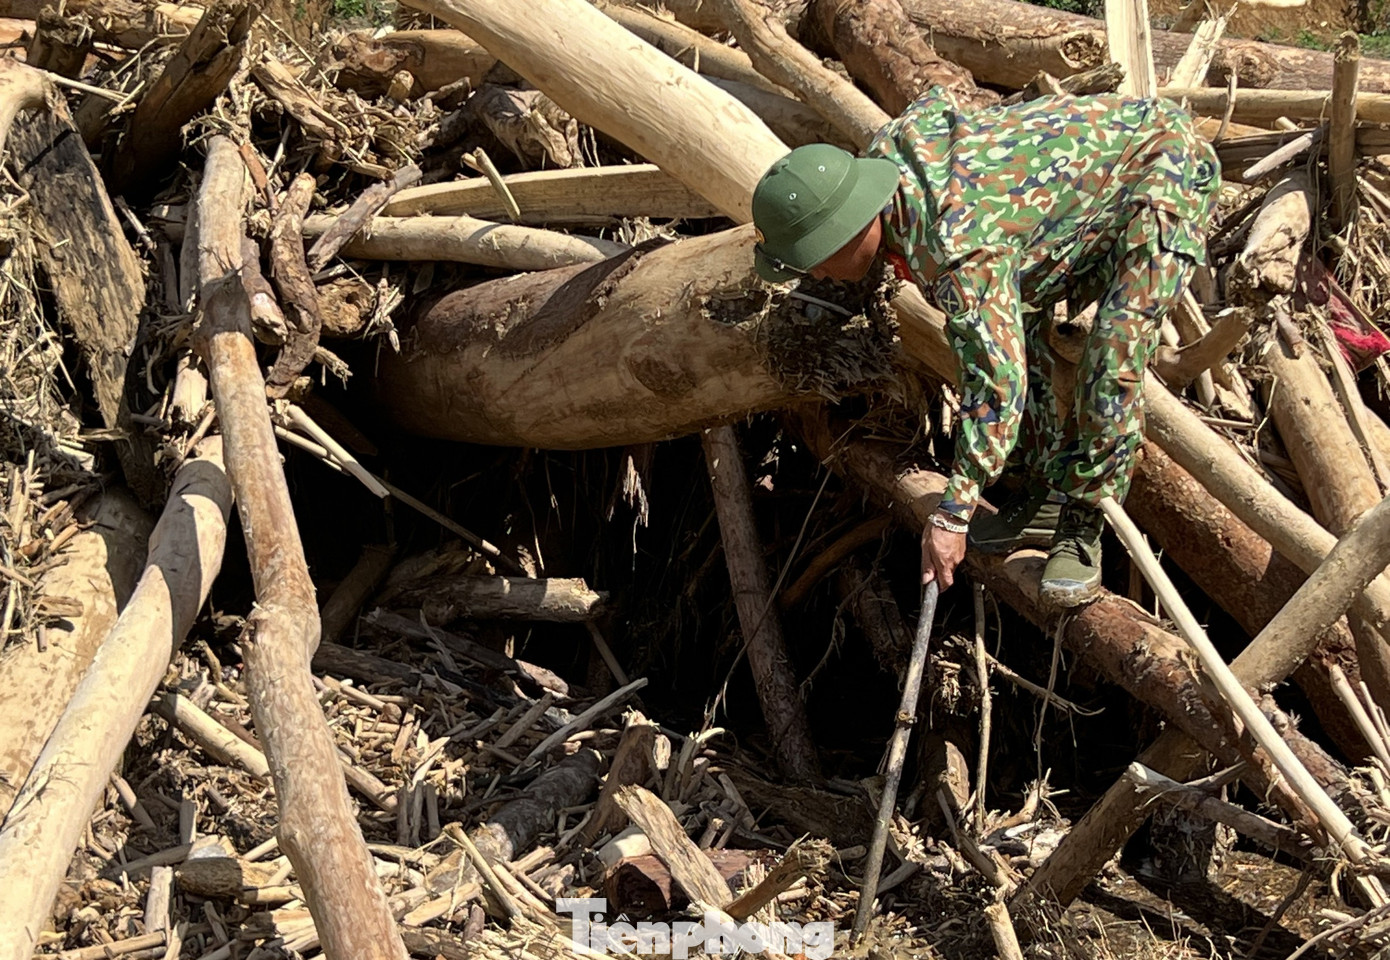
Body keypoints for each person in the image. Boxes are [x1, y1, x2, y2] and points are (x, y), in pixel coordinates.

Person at [751, 88, 1219, 607]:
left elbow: (998, 382)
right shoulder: (887, 169)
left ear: (853, 223)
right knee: (1019, 325)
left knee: (1112, 355)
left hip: (1163, 169)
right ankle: (1039, 495)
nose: (815, 272)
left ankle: (1083, 521)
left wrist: (953, 512)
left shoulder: (957, 246)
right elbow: (937, 106)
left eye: (816, 255)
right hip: (1082, 184)